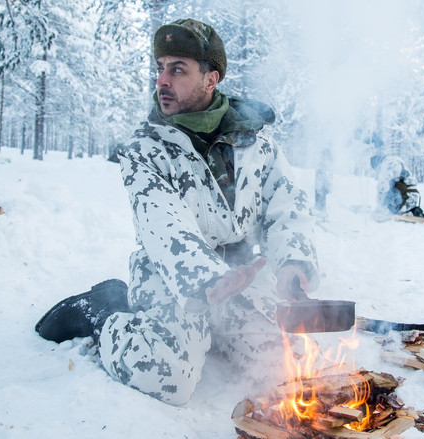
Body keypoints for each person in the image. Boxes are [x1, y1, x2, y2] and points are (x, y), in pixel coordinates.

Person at [34, 18, 319, 406]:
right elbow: (164, 227)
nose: (162, 81)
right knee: (165, 377)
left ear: (210, 79)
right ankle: (102, 311)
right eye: (160, 68)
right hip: (173, 276)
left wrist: (293, 262)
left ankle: (210, 335)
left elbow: (288, 207)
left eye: (177, 69)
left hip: (243, 279)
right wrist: (208, 280)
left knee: (287, 369)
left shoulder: (256, 142)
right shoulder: (145, 149)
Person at [371, 153, 424, 219]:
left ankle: (396, 210)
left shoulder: (389, 163)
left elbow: (383, 186)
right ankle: (410, 210)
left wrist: (381, 209)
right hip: (410, 197)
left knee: (388, 192)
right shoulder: (396, 161)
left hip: (403, 199)